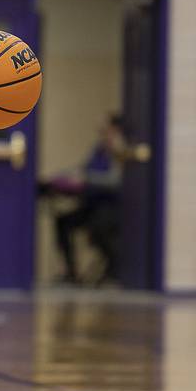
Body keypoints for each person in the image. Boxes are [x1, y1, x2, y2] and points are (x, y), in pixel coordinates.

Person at [40, 114, 125, 285]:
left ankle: (115, 270)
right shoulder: (98, 149)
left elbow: (115, 181)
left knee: (100, 227)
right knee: (63, 222)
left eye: (106, 130)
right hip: (91, 205)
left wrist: (87, 179)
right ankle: (71, 272)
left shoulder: (121, 153)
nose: (103, 134)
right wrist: (61, 178)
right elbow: (82, 170)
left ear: (116, 131)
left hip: (110, 207)